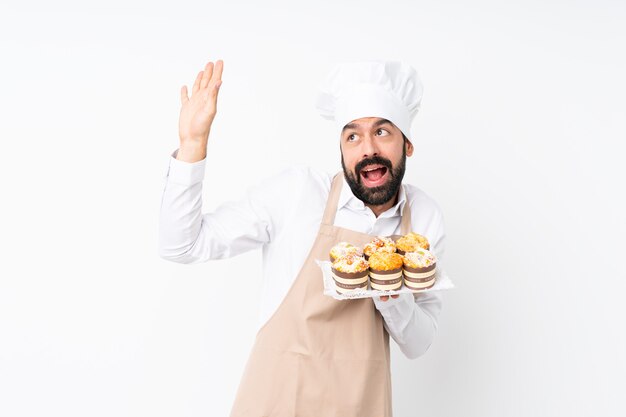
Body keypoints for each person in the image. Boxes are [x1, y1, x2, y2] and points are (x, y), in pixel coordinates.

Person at [158, 59, 447, 416]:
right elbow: (181, 245)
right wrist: (192, 145)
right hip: (276, 401)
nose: (367, 149)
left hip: (361, 406)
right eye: (352, 136)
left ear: (408, 144)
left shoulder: (423, 218)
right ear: (341, 150)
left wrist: (391, 293)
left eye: (382, 132)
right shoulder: (297, 194)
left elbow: (419, 344)